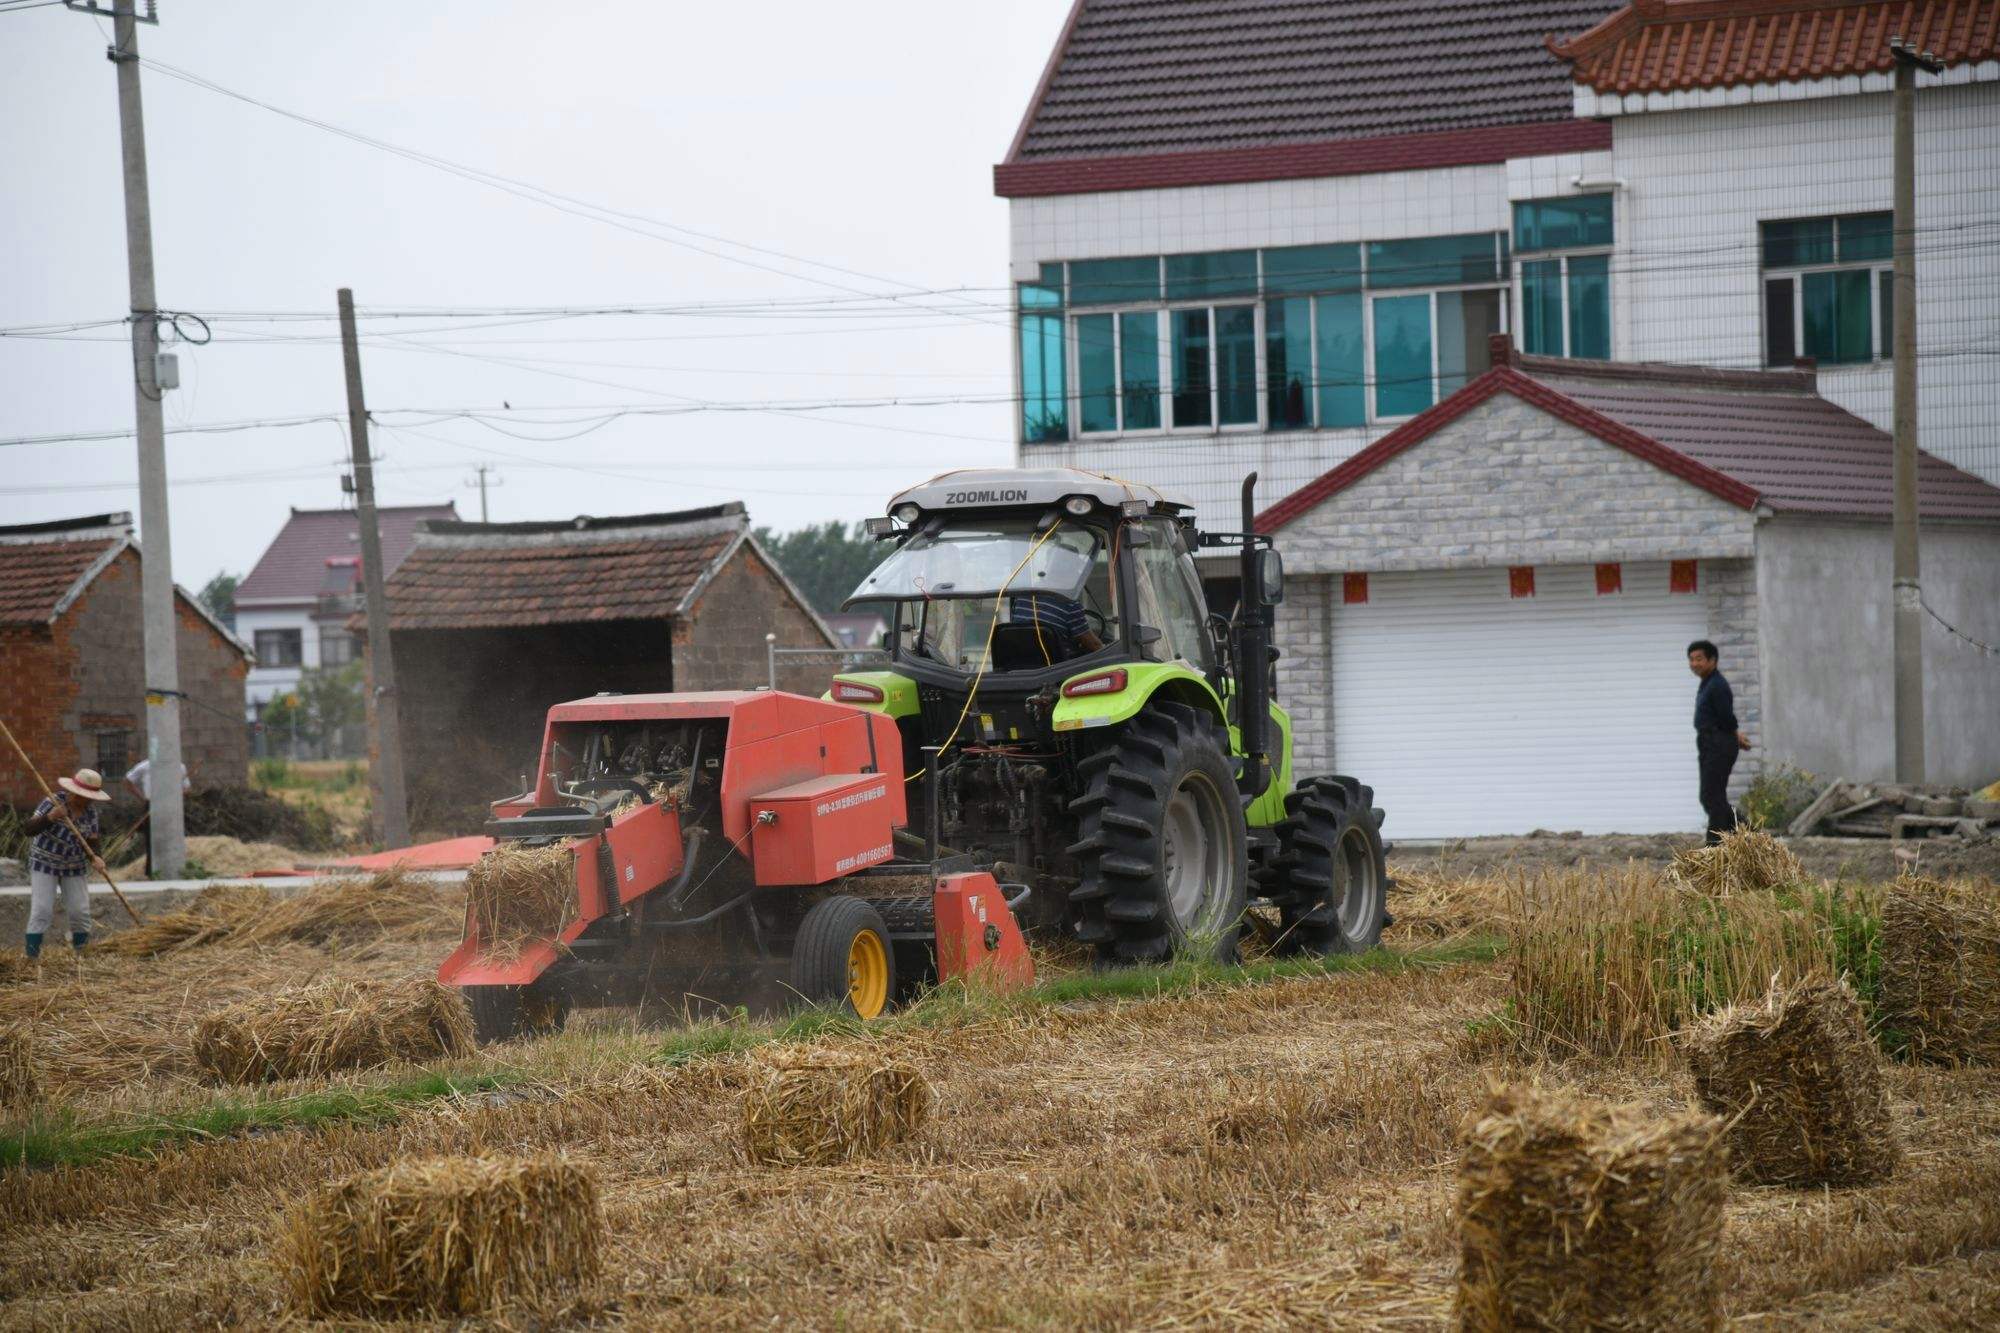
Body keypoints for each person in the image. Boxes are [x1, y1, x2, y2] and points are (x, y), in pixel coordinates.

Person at [23, 768, 111, 958]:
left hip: (74, 865)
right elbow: (28, 829)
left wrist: (96, 857)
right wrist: (51, 817)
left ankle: (81, 955)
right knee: (42, 910)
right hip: (44, 864)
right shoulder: (53, 802)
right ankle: (31, 958)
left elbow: (92, 841)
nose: (83, 800)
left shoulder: (90, 813)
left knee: (80, 911)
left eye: (88, 797)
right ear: (72, 791)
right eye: (80, 795)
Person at [1687, 640, 1751, 845]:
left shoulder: (1717, 685)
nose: (1694, 663)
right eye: (1691, 659)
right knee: (1710, 797)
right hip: (1710, 743)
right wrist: (1736, 735)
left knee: (1713, 797)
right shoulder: (1708, 683)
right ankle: (1749, 834)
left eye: (1699, 659)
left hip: (1718, 745)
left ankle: (1713, 845)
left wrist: (1734, 735)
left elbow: (1726, 717)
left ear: (1712, 660)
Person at [123, 757, 188, 879]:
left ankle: (175, 869)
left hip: (171, 805)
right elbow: (127, 781)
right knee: (152, 838)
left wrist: (174, 796)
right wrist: (143, 798)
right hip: (151, 804)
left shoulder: (179, 767)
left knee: (172, 837)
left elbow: (186, 787)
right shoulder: (145, 766)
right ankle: (151, 871)